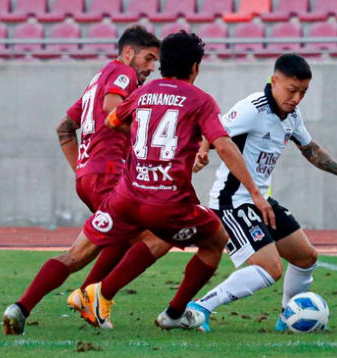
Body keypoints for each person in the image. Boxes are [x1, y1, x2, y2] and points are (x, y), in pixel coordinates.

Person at [78, 30, 276, 331]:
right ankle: (169, 312)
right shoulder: (200, 100)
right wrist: (255, 193)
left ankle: (101, 294)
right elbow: (223, 145)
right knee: (216, 240)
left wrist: (148, 146)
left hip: (131, 195)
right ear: (195, 67)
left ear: (163, 64)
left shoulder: (144, 93)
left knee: (159, 237)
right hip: (168, 200)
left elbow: (112, 120)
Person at [3, 25, 172, 335]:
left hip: (92, 177)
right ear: (128, 53)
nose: (151, 68)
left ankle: (23, 307)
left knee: (103, 245)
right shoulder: (123, 73)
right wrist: (148, 133)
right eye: (148, 59)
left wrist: (82, 170)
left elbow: (65, 129)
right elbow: (111, 109)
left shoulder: (97, 80)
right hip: (109, 177)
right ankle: (89, 297)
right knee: (158, 237)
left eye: (155, 62)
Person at [188, 53, 337, 332]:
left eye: (303, 92)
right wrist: (202, 151)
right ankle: (199, 307)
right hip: (233, 202)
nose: (297, 98)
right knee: (270, 268)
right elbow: (214, 131)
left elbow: (309, 149)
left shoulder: (292, 116)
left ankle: (288, 316)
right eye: (292, 90)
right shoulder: (252, 108)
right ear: (274, 81)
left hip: (261, 200)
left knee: (306, 257)